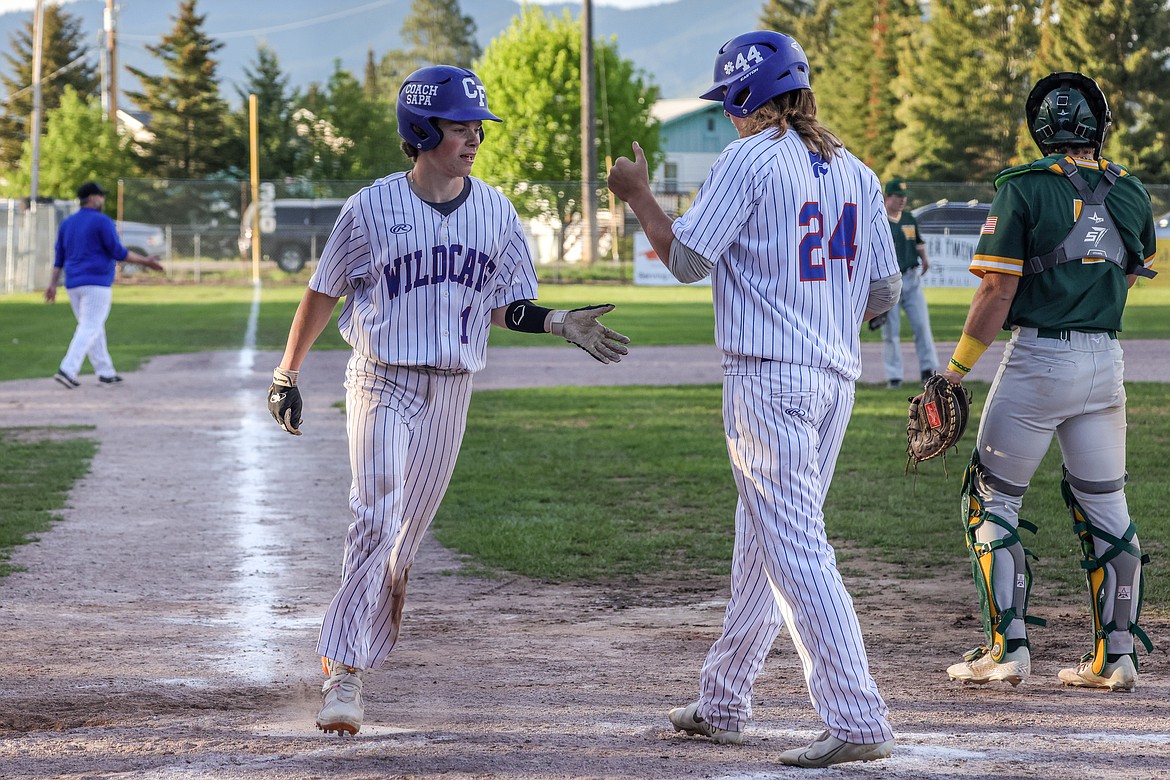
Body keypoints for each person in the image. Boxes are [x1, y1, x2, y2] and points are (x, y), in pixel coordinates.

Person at [266, 65, 630, 737]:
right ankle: (343, 673)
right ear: (422, 129)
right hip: (381, 380)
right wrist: (288, 372)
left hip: (451, 391)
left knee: (402, 544)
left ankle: (357, 643)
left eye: (475, 128)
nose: (474, 139)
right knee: (373, 513)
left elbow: (505, 303)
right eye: (461, 127)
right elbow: (323, 290)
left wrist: (557, 322)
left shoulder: (494, 211)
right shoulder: (370, 208)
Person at [608, 30, 900, 768]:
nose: (731, 117)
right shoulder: (858, 171)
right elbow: (886, 293)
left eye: (731, 103)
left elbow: (686, 260)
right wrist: (825, 308)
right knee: (764, 543)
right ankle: (723, 698)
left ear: (745, 96)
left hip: (769, 379)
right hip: (834, 380)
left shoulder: (748, 157)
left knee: (797, 548)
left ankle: (858, 718)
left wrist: (639, 195)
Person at [941, 72, 1156, 692]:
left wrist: (956, 370)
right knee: (1106, 508)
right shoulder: (1134, 192)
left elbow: (995, 289)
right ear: (1099, 126)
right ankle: (1116, 658)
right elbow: (1130, 269)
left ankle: (1006, 649)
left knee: (991, 501)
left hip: (1038, 361)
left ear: (1039, 129)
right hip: (1104, 364)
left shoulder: (1022, 187)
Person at [45, 181, 164, 387]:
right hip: (96, 283)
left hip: (73, 283)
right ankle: (67, 370)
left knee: (94, 328)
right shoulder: (102, 221)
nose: (103, 199)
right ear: (92, 198)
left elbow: (59, 257)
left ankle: (106, 372)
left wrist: (52, 284)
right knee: (90, 327)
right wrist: (147, 262)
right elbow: (118, 251)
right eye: (100, 196)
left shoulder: (67, 223)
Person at [873, 178, 938, 388]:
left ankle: (928, 371)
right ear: (887, 197)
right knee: (891, 331)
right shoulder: (878, 219)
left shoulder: (909, 218)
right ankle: (894, 377)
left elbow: (918, 242)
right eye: (898, 196)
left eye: (904, 196)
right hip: (890, 282)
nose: (902, 200)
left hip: (911, 278)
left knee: (921, 325)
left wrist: (925, 258)